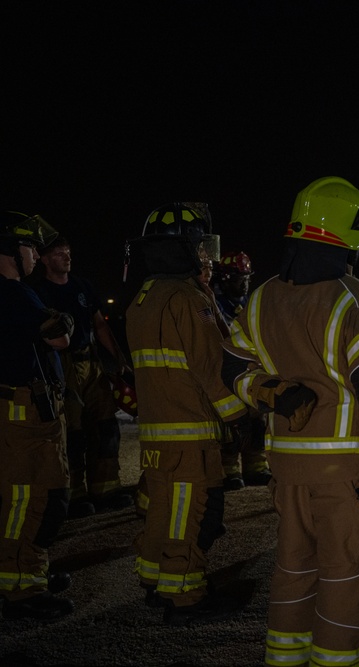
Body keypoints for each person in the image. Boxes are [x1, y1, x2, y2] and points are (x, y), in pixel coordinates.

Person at [221, 177, 359, 667]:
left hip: (289, 477)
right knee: (346, 583)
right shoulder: (356, 300)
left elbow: (232, 369)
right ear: (350, 234)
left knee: (294, 575)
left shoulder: (262, 297)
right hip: (349, 480)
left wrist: (268, 393)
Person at [126, 202, 250, 625]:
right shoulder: (188, 298)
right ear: (183, 249)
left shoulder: (143, 297)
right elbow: (212, 367)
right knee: (190, 513)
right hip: (191, 431)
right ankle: (184, 597)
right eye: (200, 247)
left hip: (158, 433)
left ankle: (155, 581)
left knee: (162, 508)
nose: (206, 257)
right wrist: (239, 418)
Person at [0, 211, 75, 620]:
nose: (35, 255)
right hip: (24, 415)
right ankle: (21, 589)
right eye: (31, 247)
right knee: (33, 498)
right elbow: (60, 337)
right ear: (13, 249)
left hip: (17, 410)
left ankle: (28, 571)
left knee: (22, 497)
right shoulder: (12, 292)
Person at [32, 237, 134, 517]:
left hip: (92, 363)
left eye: (68, 250)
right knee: (73, 433)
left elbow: (99, 324)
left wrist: (119, 356)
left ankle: (107, 489)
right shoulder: (39, 291)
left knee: (105, 426)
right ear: (43, 259)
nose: (66, 255)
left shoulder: (82, 286)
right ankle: (75, 495)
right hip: (63, 366)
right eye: (58, 252)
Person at [211, 250, 271, 489]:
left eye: (247, 278)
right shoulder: (212, 304)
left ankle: (256, 467)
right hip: (222, 372)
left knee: (256, 419)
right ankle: (229, 469)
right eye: (240, 279)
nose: (245, 283)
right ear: (225, 279)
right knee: (229, 423)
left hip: (247, 369)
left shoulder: (248, 303)